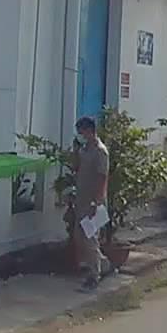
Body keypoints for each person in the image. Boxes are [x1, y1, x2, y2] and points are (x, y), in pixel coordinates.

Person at [73, 116, 111, 291]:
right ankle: (104, 264)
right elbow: (77, 169)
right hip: (82, 199)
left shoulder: (100, 151)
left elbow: (102, 178)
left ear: (89, 131)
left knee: (90, 238)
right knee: (80, 236)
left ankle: (94, 276)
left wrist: (97, 202)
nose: (80, 135)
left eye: (81, 132)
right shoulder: (84, 149)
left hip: (92, 201)